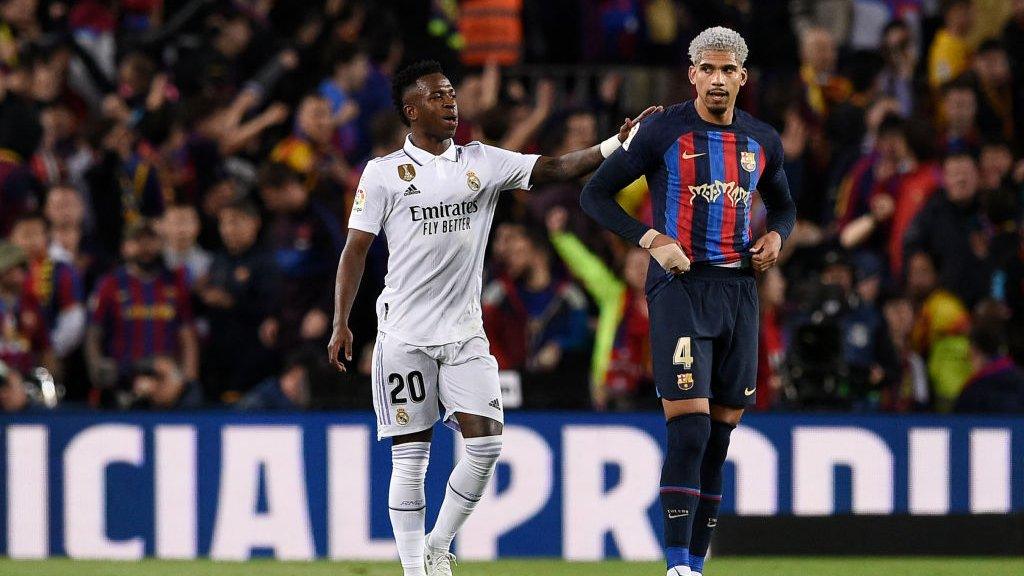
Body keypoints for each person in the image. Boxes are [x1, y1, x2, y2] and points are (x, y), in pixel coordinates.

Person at [326, 59, 658, 576]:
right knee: (410, 461)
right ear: (411, 110)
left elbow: (555, 168)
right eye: (437, 97)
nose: (451, 103)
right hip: (405, 336)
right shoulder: (384, 173)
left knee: (485, 447)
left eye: (452, 94)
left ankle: (438, 542)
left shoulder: (481, 161)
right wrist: (342, 321)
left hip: (463, 335)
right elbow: (356, 250)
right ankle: (416, 570)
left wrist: (615, 144)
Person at [579, 27, 796, 576]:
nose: (718, 80)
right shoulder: (661, 131)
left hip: (740, 293)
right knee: (691, 427)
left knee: (720, 436)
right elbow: (594, 194)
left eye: (729, 71)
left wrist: (776, 238)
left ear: (742, 78)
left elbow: (785, 207)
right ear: (692, 73)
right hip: (679, 288)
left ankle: (694, 566)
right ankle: (675, 564)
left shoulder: (762, 141)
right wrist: (652, 240)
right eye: (709, 69)